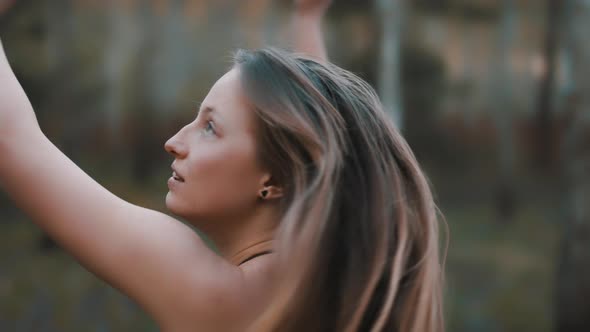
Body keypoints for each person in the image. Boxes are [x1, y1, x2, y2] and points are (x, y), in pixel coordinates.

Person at [0, 1, 445, 331]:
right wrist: (308, 21)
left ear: (276, 177)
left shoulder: (218, 298)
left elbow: (13, 141)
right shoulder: (345, 287)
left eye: (209, 127)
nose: (173, 142)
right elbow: (330, 149)